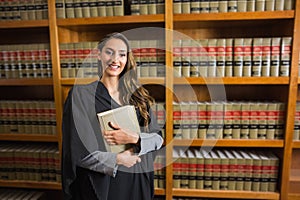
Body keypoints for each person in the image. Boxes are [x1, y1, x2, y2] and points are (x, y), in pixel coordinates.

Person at [61, 32, 164, 200]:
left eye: (122, 54)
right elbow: (76, 152)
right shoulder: (81, 95)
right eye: (109, 52)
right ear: (99, 55)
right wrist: (117, 159)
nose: (115, 59)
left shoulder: (138, 96)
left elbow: (158, 138)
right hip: (103, 184)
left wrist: (134, 138)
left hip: (137, 179)